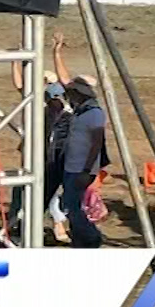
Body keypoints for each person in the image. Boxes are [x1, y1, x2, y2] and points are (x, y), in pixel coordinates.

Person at [57, 79, 107, 247]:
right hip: (71, 166)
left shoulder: (94, 113)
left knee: (73, 206)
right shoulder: (80, 112)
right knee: (70, 204)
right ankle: (80, 238)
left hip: (82, 169)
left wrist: (87, 170)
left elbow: (96, 143)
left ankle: (91, 236)